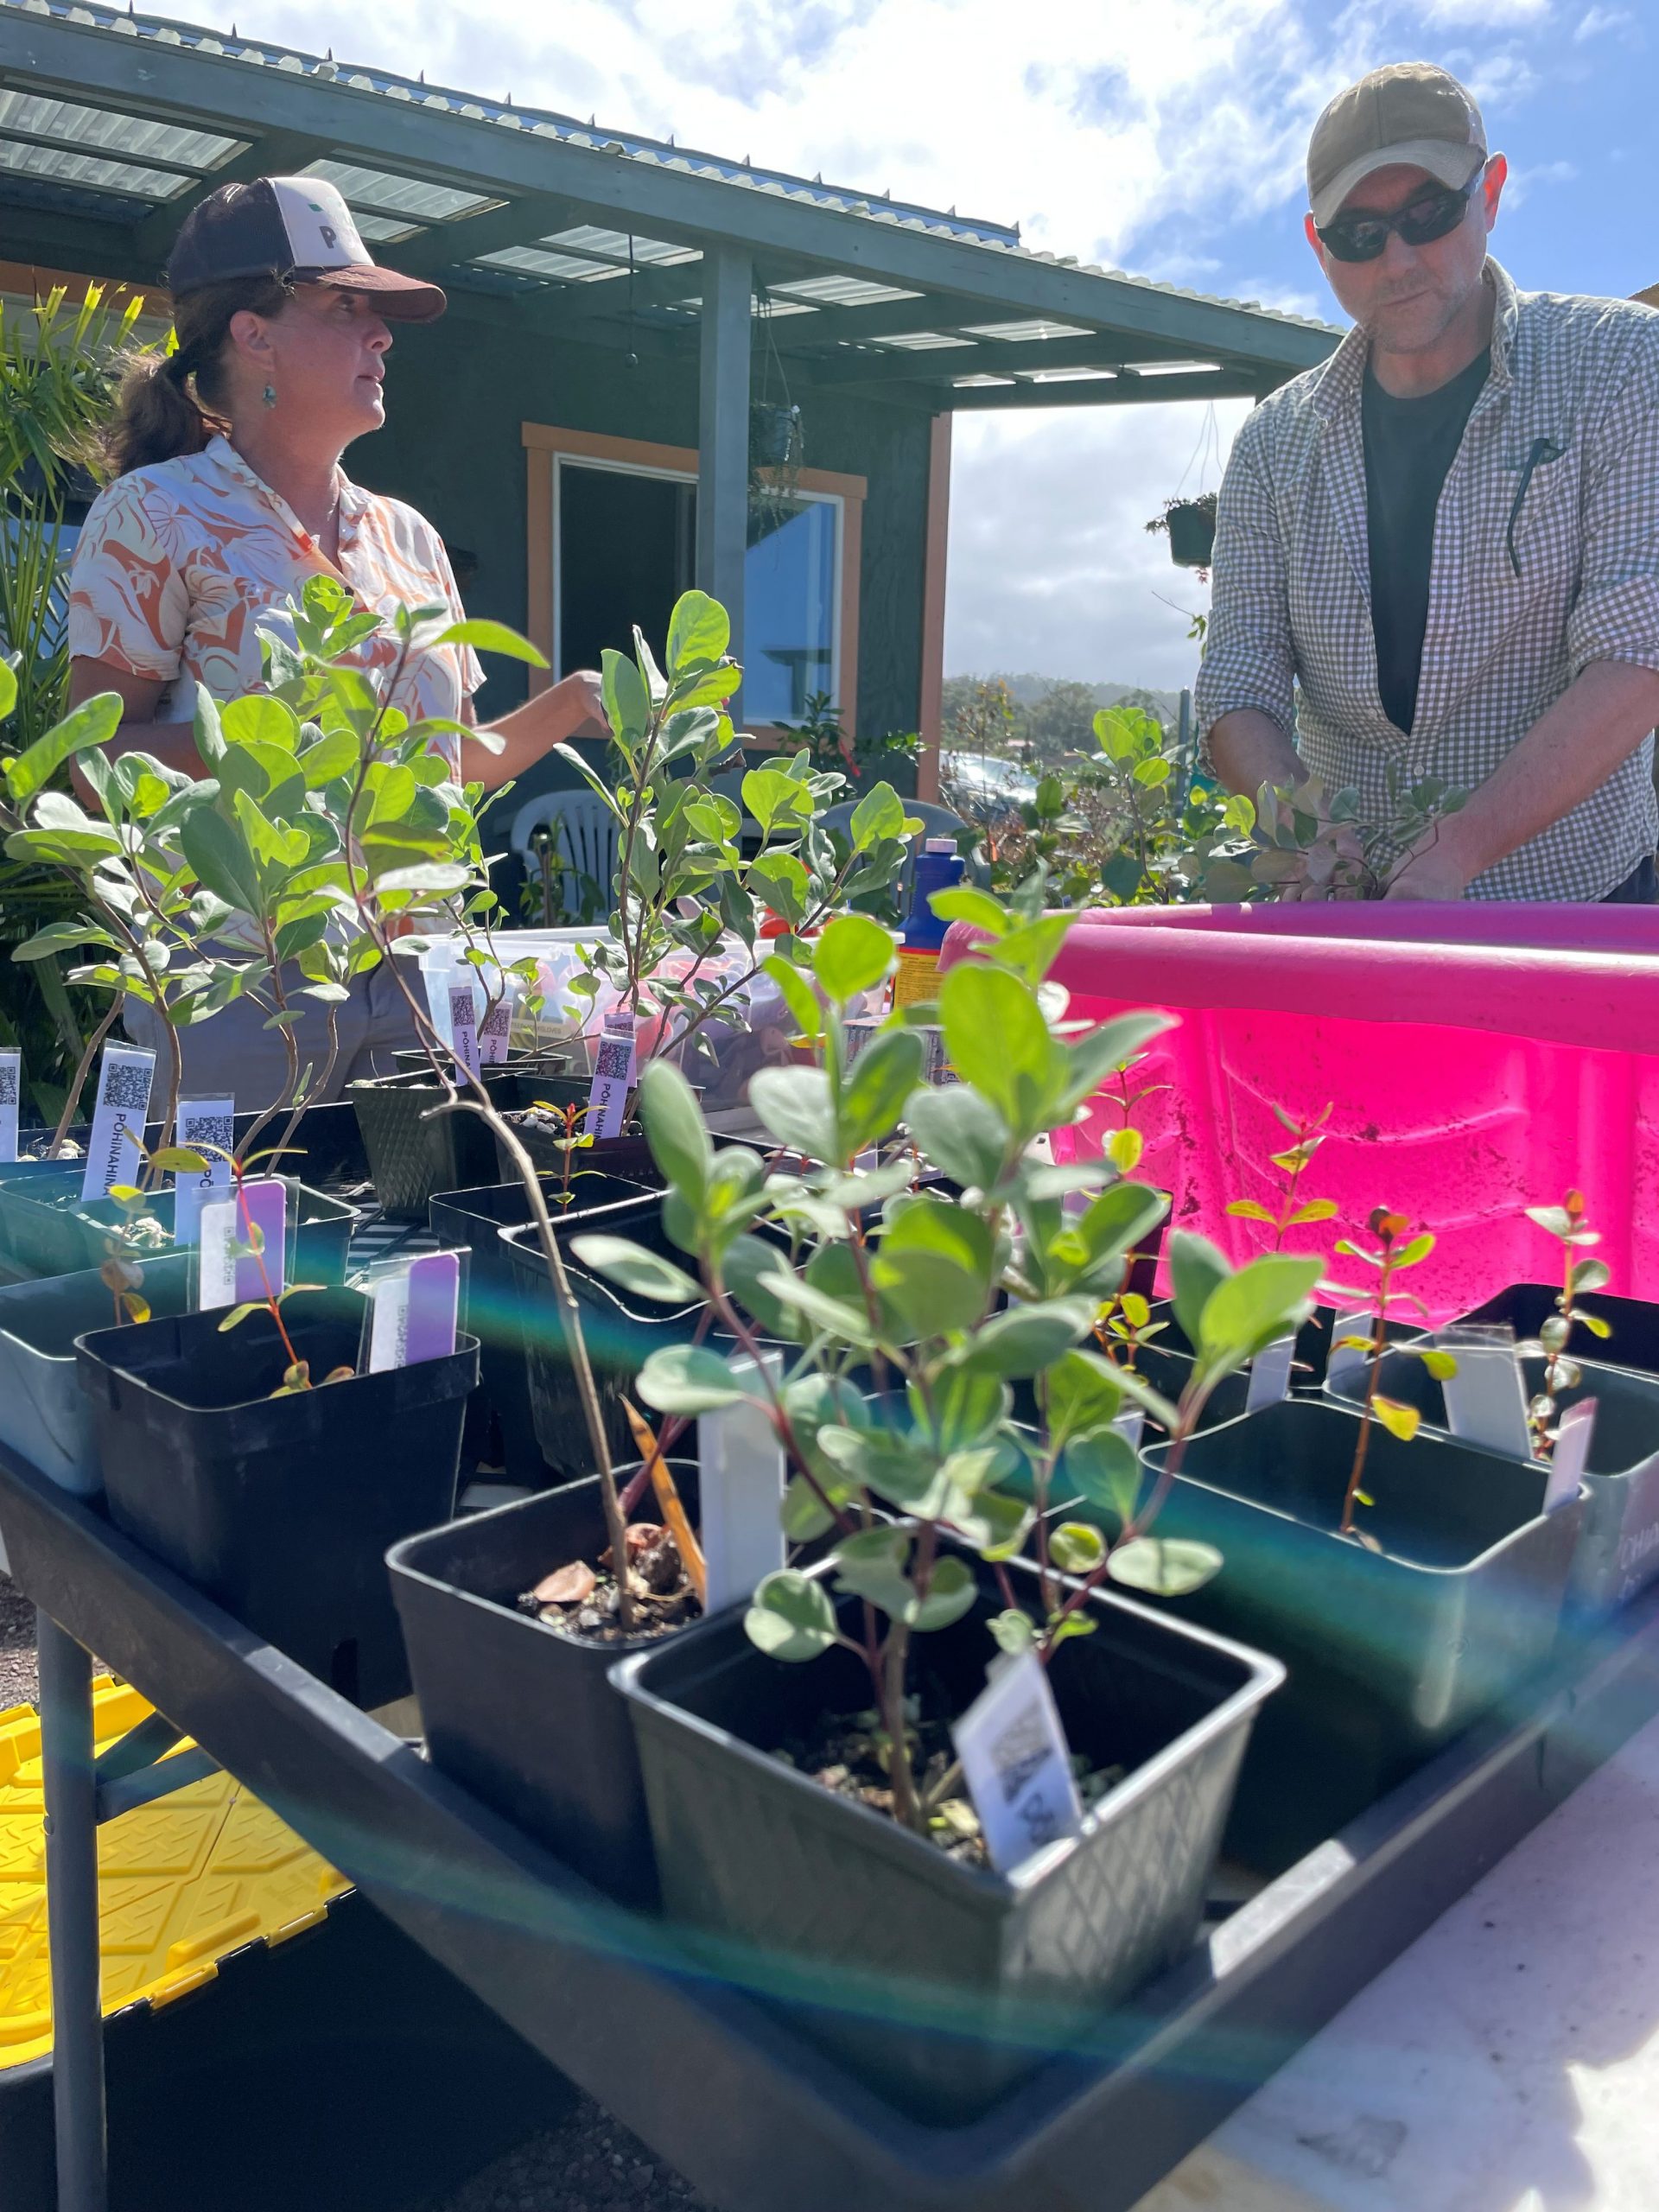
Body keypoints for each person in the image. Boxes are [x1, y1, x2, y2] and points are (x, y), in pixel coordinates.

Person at [66, 175, 607, 1098]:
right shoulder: (155, 514)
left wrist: (566, 707)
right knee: (237, 1242)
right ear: (253, 332)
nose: (381, 335)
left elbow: (445, 765)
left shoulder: (409, 538)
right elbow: (95, 762)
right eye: (346, 306)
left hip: (419, 977)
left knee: (415, 1233)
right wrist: (278, 745)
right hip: (244, 979)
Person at [1196, 61, 1659, 901]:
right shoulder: (1272, 444)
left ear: (1491, 192)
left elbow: (1640, 649)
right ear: (1317, 242)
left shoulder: (1623, 365)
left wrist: (1467, 845)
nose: (1398, 258)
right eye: (1360, 235)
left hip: (1576, 904)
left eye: (1428, 214)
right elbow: (1239, 679)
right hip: (1355, 921)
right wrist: (1306, 834)